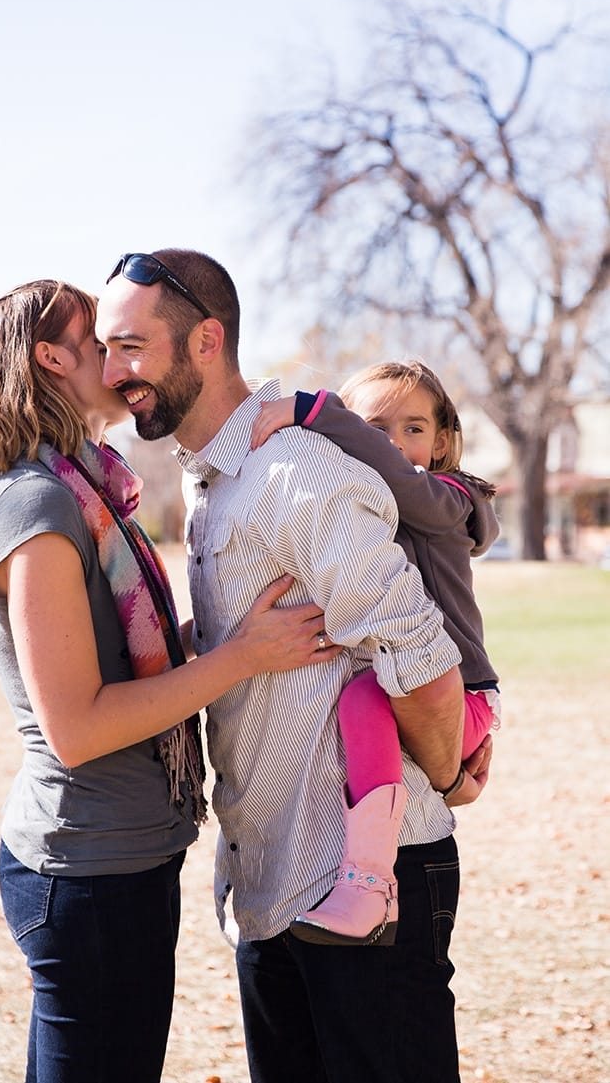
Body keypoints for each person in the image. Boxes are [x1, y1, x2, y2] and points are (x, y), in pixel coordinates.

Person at [96, 250, 492, 1083]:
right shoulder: (215, 483)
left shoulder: (293, 471)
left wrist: (450, 770)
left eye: (130, 346)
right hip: (270, 885)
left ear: (207, 339)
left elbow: (418, 653)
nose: (111, 371)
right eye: (103, 349)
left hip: (367, 892)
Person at [0, 278, 340, 1083]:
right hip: (84, 869)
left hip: (128, 855)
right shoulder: (38, 504)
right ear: (53, 358)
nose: (122, 362)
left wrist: (226, 630)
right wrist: (241, 657)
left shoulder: (88, 487)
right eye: (102, 343)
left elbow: (126, 660)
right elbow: (77, 724)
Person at [250, 361, 500, 944]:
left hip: (463, 696)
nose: (394, 442)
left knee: (364, 696)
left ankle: (368, 884)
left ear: (440, 442)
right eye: (377, 425)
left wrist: (319, 413)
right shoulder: (355, 507)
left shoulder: (449, 499)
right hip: (419, 698)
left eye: (413, 428)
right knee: (365, 695)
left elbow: (401, 481)